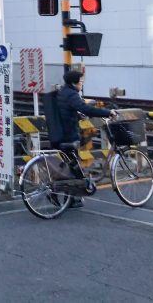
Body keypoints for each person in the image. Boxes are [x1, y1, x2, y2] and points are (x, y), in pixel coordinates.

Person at [55, 68, 117, 206]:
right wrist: (108, 112)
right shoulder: (72, 94)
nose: (82, 84)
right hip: (68, 134)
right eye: (81, 81)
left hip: (61, 132)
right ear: (74, 82)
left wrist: (77, 115)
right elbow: (86, 108)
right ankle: (68, 198)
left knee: (71, 166)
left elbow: (66, 109)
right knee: (73, 168)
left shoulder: (63, 92)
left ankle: (69, 198)